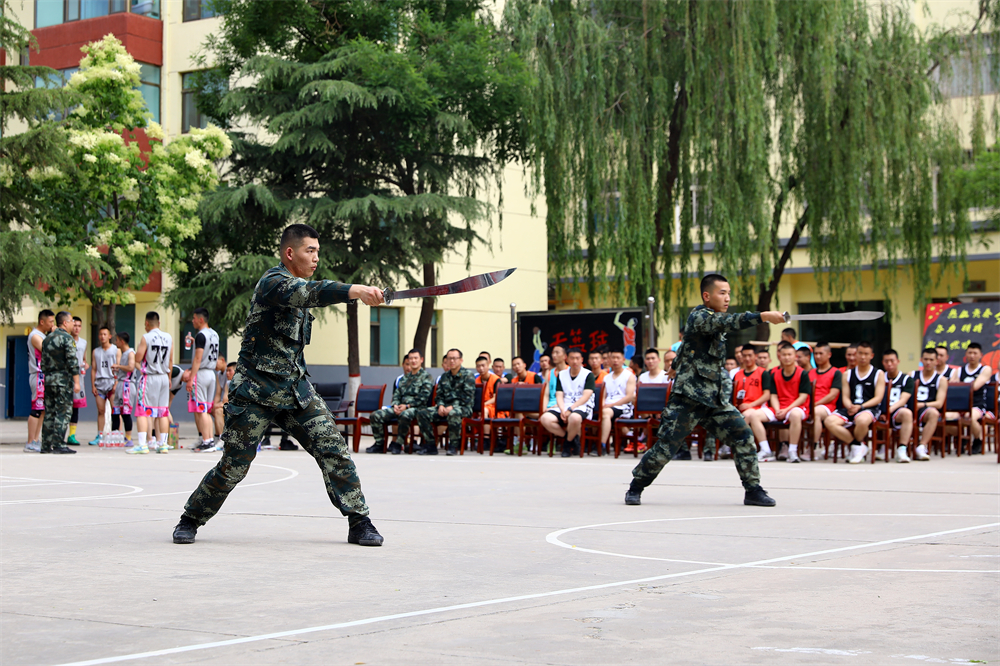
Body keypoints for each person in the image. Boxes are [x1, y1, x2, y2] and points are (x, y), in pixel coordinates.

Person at [172, 223, 385, 547]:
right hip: (255, 390)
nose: (315, 257)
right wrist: (355, 290)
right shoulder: (274, 282)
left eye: (318, 251)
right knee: (234, 465)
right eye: (309, 251)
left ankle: (360, 521)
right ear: (290, 253)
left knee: (333, 446)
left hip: (294, 389)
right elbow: (308, 293)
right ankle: (190, 518)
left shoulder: (301, 287)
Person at [625, 274, 784, 507]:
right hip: (688, 399)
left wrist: (675, 366)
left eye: (729, 293)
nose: (727, 298)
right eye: (722, 293)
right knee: (667, 447)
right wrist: (763, 316)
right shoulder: (700, 316)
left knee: (743, 436)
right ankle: (636, 486)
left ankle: (753, 490)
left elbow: (689, 347)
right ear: (707, 296)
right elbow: (729, 322)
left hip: (714, 399)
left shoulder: (711, 321)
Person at [824, 341, 885, 464]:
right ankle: (857, 445)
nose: (863, 357)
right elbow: (845, 396)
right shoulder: (847, 374)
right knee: (829, 421)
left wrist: (861, 406)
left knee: (862, 420)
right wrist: (849, 405)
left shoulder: (878, 374)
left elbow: (878, 398)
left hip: (869, 408)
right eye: (860, 353)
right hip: (851, 407)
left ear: (871, 356)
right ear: (856, 354)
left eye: (866, 354)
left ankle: (856, 448)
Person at [369, 349, 433, 454]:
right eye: (411, 358)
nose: (413, 361)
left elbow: (423, 398)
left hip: (417, 408)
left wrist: (407, 406)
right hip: (401, 407)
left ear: (421, 360)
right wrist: (395, 405)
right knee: (375, 415)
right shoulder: (404, 379)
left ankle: (398, 444)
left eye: (415, 358)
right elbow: (397, 394)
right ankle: (379, 444)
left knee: (405, 414)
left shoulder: (427, 377)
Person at [129, 312, 173, 455]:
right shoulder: (168, 337)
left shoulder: (146, 337)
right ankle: (163, 444)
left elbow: (138, 358)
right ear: (159, 323)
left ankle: (142, 445)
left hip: (150, 376)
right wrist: (169, 378)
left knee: (142, 410)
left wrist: (141, 366)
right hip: (164, 376)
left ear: (147, 323)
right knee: (163, 411)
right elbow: (171, 361)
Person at [417, 348, 475, 456]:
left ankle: (453, 446)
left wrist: (452, 406)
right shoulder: (444, 377)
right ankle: (431, 445)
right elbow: (439, 395)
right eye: (449, 358)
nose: (452, 361)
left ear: (461, 360)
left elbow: (467, 398)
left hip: (463, 408)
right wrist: (441, 405)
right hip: (445, 408)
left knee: (454, 413)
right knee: (422, 413)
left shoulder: (468, 375)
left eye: (454, 358)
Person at [539, 348, 595, 457]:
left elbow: (586, 396)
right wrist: (562, 409)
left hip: (582, 406)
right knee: (545, 418)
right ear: (567, 359)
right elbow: (559, 394)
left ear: (582, 360)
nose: (574, 361)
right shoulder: (562, 374)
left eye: (577, 358)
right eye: (572, 358)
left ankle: (567, 445)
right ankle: (571, 439)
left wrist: (571, 409)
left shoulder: (588, 374)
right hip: (565, 405)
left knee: (574, 418)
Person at [40, 311, 81, 454]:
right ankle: (58, 443)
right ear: (65, 323)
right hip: (63, 380)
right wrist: (76, 382)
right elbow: (72, 361)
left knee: (49, 412)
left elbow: (43, 363)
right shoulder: (67, 339)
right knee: (63, 412)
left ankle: (45, 445)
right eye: (71, 321)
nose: (72, 324)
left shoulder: (47, 339)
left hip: (49, 380)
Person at [767, 342, 812, 463]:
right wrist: (777, 410)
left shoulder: (802, 373)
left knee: (795, 415)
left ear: (795, 356)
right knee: (754, 415)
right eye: (784, 355)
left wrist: (786, 410)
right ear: (779, 356)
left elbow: (803, 397)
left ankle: (792, 451)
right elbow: (773, 396)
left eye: (789, 354)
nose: (787, 357)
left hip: (798, 407)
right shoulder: (774, 374)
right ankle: (766, 450)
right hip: (779, 407)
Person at [186, 308, 221, 453]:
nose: (192, 321)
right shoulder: (214, 334)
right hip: (211, 373)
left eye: (194, 318)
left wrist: (191, 378)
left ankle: (207, 440)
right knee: (206, 407)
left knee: (201, 410)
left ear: (201, 319)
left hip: (201, 373)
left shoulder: (201, 335)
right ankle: (208, 439)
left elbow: (198, 358)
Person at [735, 346, 776, 461]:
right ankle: (738, 447)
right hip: (741, 408)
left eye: (750, 355)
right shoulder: (738, 374)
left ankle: (763, 449)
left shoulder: (763, 373)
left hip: (760, 408)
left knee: (748, 415)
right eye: (744, 356)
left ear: (755, 357)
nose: (747, 358)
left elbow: (767, 395)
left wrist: (750, 405)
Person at [25, 309, 55, 453]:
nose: (52, 324)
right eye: (50, 322)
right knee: (36, 409)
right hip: (38, 375)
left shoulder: (43, 335)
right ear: (42, 322)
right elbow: (48, 351)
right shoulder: (35, 336)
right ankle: (30, 441)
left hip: (44, 375)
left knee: (42, 410)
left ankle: (36, 440)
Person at [956, 342, 993, 454]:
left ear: (980, 355)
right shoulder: (959, 371)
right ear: (966, 354)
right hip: (960, 404)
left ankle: (978, 439)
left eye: (975, 353)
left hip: (978, 404)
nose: (972, 356)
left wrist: (960, 386)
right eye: (969, 353)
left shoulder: (985, 369)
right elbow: (952, 386)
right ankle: (961, 438)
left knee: (970, 416)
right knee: (947, 417)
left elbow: (975, 386)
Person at [909, 348, 946, 461]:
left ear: (936, 362)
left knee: (934, 413)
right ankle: (899, 447)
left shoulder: (941, 379)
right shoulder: (912, 375)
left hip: (926, 409)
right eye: (925, 359)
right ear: (921, 360)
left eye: (931, 359)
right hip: (910, 408)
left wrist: (922, 404)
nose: (928, 362)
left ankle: (922, 446)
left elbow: (939, 403)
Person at [808, 342, 843, 460]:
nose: (817, 356)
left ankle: (813, 447)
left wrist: (815, 404)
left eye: (821, 353)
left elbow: (833, 394)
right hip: (809, 405)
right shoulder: (810, 373)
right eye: (815, 354)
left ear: (829, 354)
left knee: (816, 412)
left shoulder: (836, 372)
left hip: (827, 407)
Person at [882, 349, 915, 463]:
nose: (889, 364)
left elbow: (903, 400)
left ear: (898, 361)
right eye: (886, 361)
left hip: (896, 411)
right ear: (883, 362)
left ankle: (902, 449)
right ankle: (878, 448)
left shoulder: (907, 379)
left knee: (907, 413)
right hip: (879, 411)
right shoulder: (879, 377)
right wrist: (882, 411)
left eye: (892, 361)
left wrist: (888, 410)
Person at [600, 349, 636, 450]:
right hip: (608, 406)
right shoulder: (606, 377)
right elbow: (603, 396)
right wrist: (603, 404)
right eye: (613, 358)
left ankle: (602, 444)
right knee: (600, 412)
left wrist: (611, 405)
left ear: (623, 360)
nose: (615, 360)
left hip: (623, 407)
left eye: (618, 358)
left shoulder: (629, 376)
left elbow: (629, 396)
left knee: (605, 413)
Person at [91, 326, 120, 444]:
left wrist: (116, 382)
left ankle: (117, 433)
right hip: (100, 382)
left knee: (115, 410)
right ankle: (100, 435)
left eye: (105, 334)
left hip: (111, 381)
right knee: (101, 411)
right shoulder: (96, 351)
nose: (102, 336)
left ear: (109, 336)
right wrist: (93, 385)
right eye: (100, 334)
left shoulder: (116, 350)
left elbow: (119, 368)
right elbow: (93, 369)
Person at [111, 332, 136, 446]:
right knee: (115, 411)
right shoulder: (122, 353)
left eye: (117, 340)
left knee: (126, 412)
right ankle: (115, 435)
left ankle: (128, 438)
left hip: (127, 385)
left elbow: (131, 367)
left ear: (122, 341)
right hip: (120, 384)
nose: (115, 342)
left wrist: (119, 366)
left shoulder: (131, 353)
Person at [67, 316, 89, 445]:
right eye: (74, 325)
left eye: (79, 326)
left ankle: (72, 435)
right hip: (67, 377)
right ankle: (60, 434)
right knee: (65, 407)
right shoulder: (66, 340)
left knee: (75, 407)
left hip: (79, 378)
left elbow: (84, 359)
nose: (77, 328)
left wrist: (85, 364)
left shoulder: (83, 342)